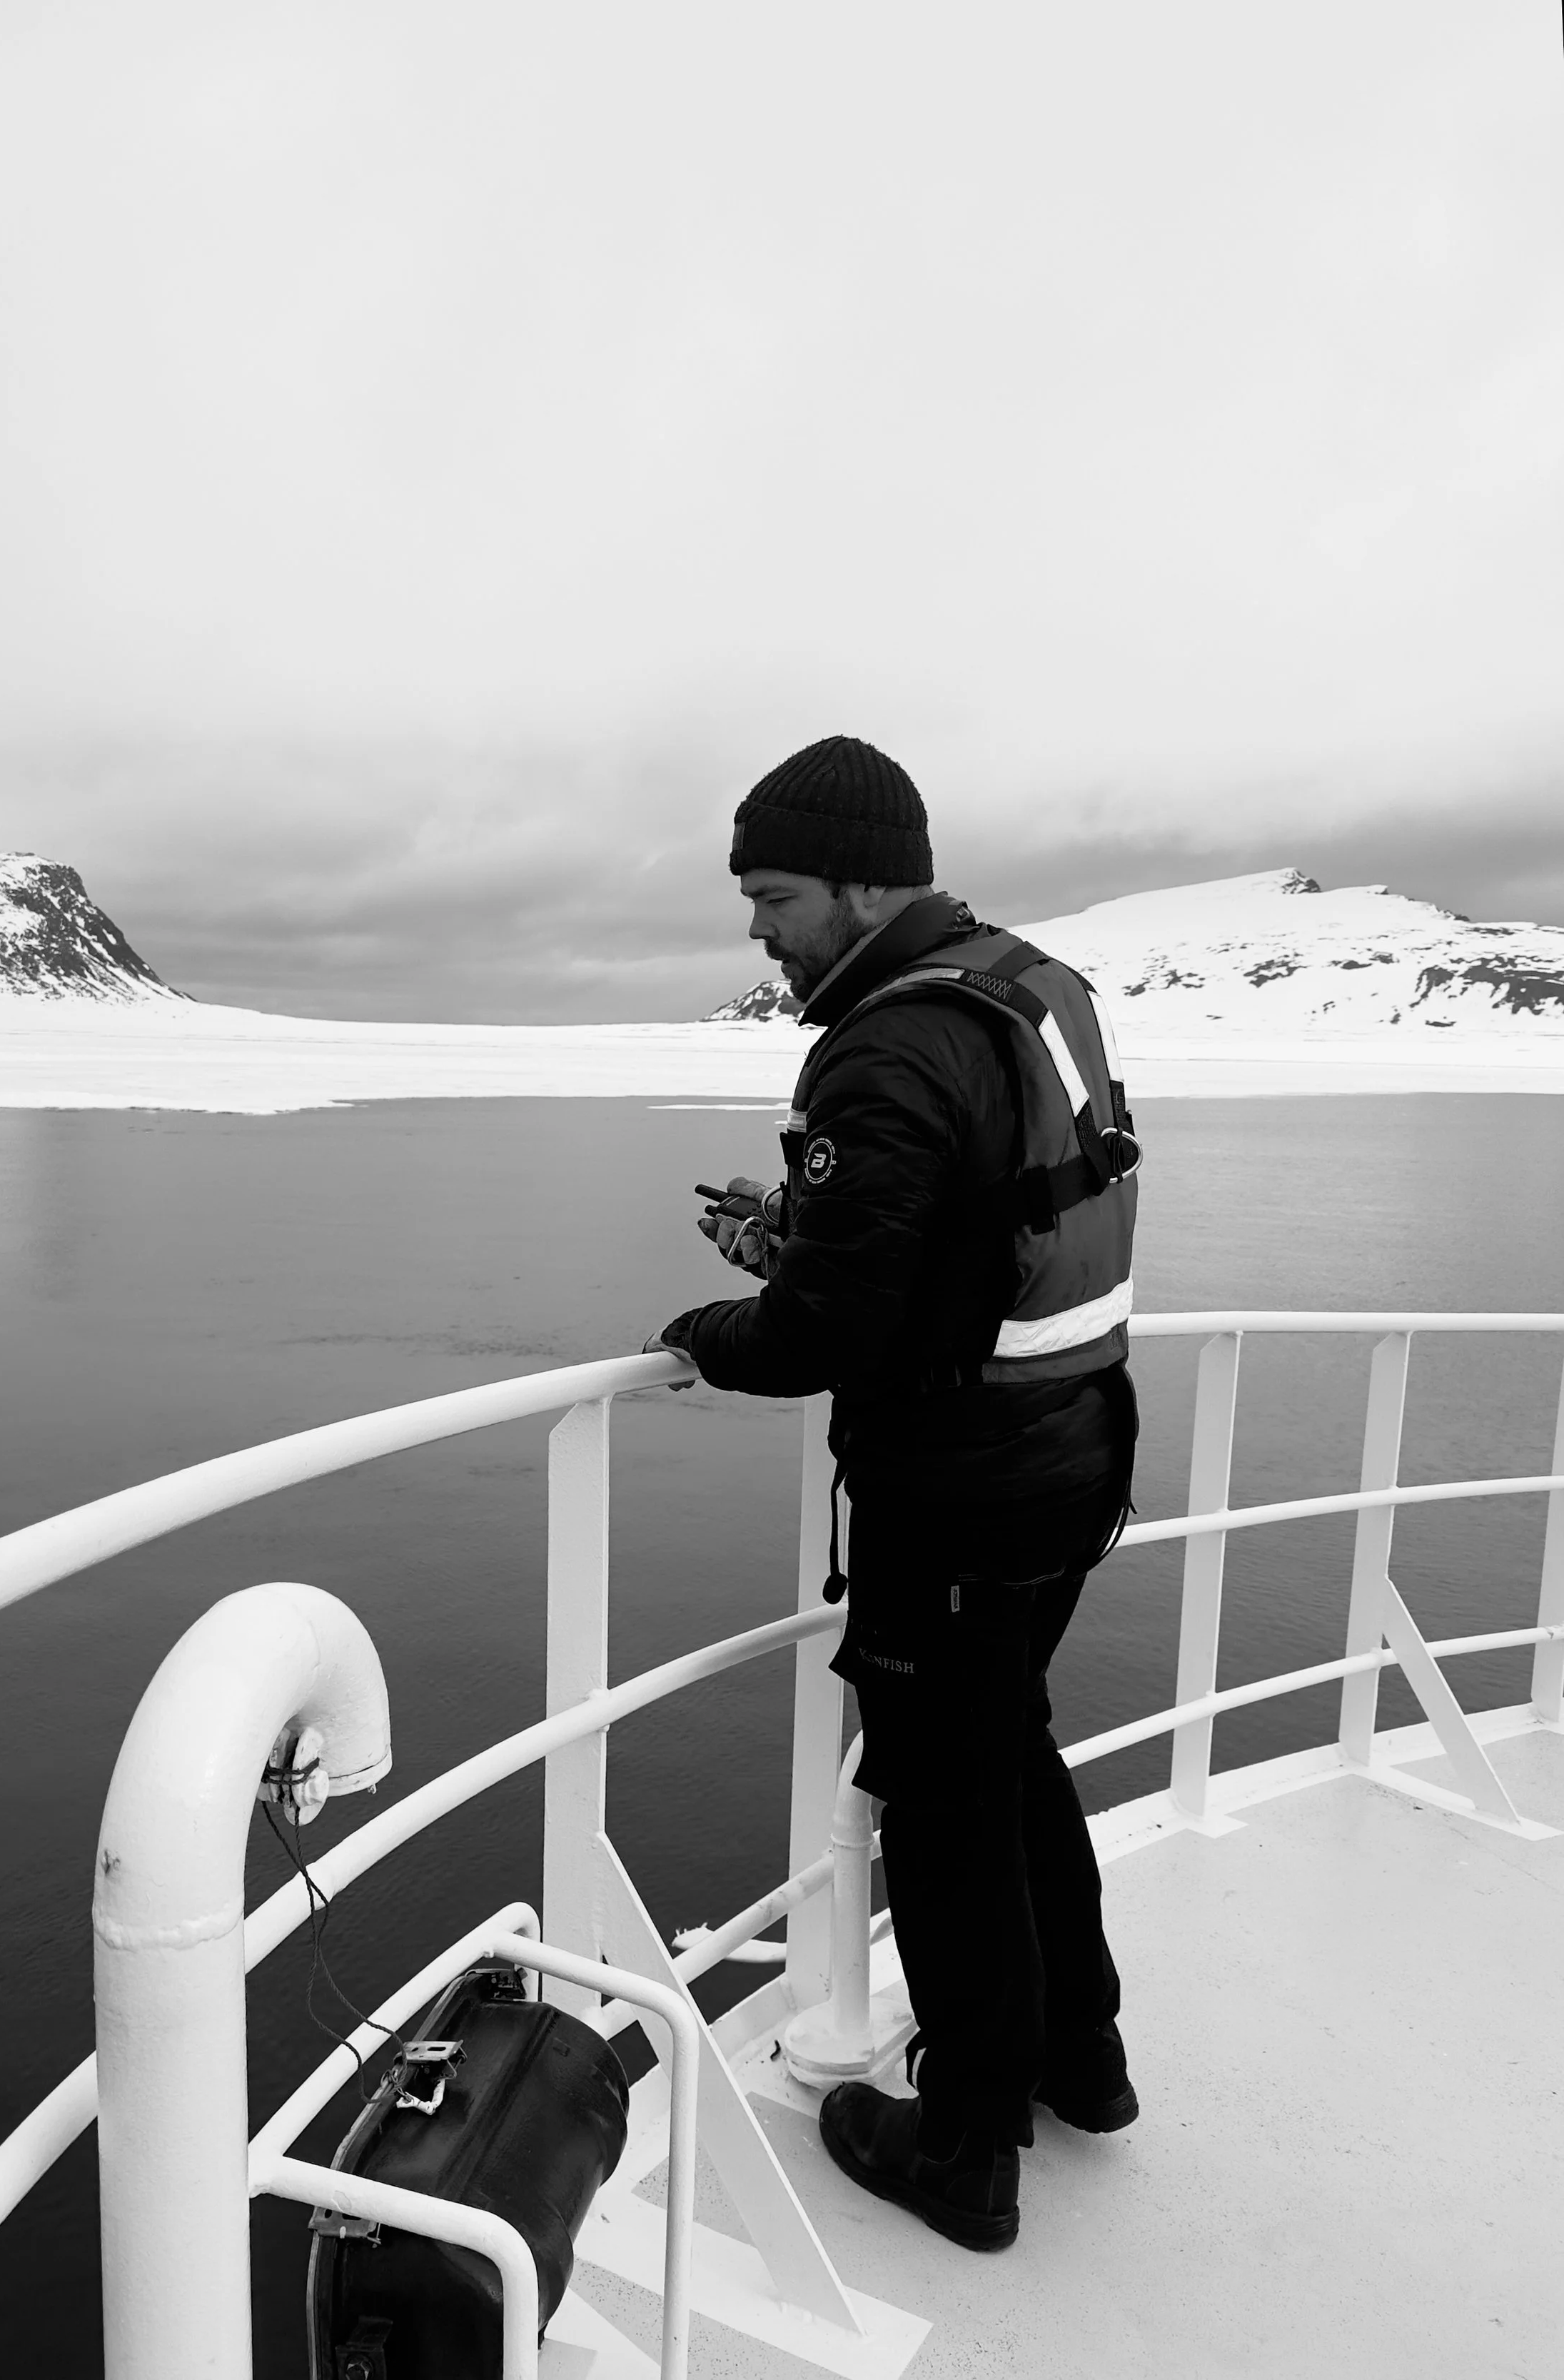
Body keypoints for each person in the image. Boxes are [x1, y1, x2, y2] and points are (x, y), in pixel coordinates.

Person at [645, 734, 1141, 2252]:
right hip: (1072, 1448)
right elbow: (965, 1236)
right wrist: (806, 1235)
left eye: (774, 893)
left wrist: (704, 1327)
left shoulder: (880, 1044)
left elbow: (823, 1336)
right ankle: (1081, 2060)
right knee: (1006, 1749)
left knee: (937, 1797)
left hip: (964, 1491)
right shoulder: (1018, 984)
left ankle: (967, 2144)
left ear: (864, 882)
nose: (755, 927)